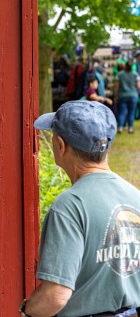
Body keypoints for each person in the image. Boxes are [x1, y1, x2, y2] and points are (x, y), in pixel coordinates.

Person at [19, 100, 140, 317]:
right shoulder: (135, 196)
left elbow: (55, 296)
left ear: (61, 145)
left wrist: (26, 310)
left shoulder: (69, 207)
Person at [113, 61, 140, 133]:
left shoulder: (119, 74)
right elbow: (138, 86)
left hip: (122, 95)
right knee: (131, 112)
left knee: (122, 112)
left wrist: (115, 95)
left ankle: (120, 128)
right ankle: (130, 128)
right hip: (133, 95)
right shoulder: (135, 74)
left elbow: (116, 87)